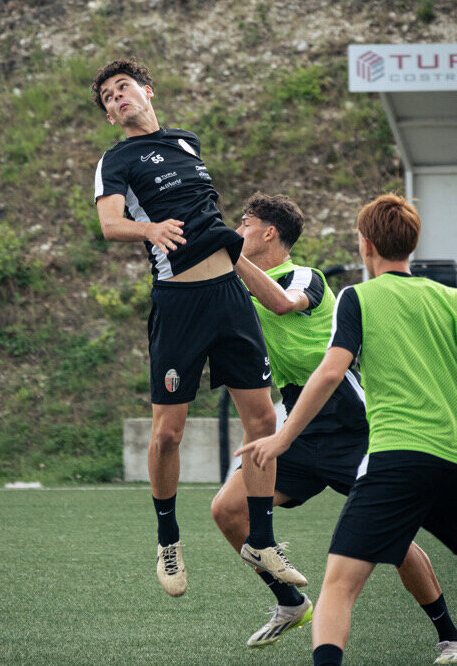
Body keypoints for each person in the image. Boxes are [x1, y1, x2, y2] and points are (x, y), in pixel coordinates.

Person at [91, 60, 306, 598]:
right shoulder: (115, 160)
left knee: (261, 418)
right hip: (179, 301)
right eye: (108, 99)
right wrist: (150, 228)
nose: (117, 99)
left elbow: (211, 223)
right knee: (168, 432)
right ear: (110, 116)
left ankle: (262, 538)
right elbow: (110, 224)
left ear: (147, 90)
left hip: (229, 297)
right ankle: (168, 539)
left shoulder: (186, 143)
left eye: (123, 89)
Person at [212, 192, 456, 654]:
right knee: (227, 510)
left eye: (243, 223)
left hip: (348, 419)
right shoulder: (237, 282)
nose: (236, 230)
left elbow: (283, 303)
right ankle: (290, 603)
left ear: (269, 232)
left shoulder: (308, 276)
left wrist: (227, 254)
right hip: (298, 426)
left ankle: (449, 636)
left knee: (396, 542)